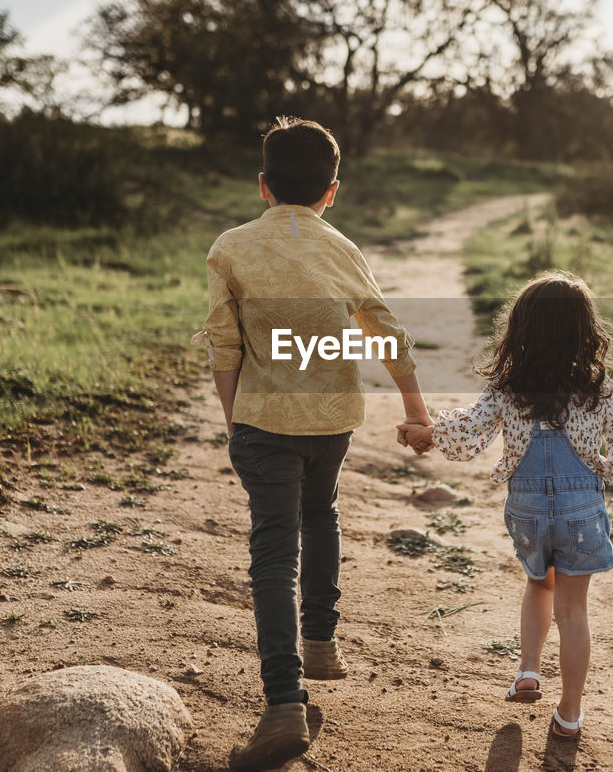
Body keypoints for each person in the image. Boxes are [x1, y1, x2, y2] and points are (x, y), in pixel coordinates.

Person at [194, 117, 432, 769]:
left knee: (273, 551)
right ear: (333, 191)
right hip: (332, 421)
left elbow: (224, 342)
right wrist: (415, 410)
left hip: (265, 422)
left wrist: (232, 417)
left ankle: (281, 705)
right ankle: (321, 639)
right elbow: (386, 332)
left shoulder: (231, 248)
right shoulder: (344, 248)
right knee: (320, 511)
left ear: (263, 186)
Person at [397, 271, 613, 740]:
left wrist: (427, 433)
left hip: (528, 509)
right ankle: (569, 714)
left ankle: (528, 671)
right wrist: (596, 469)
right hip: (580, 512)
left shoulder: (509, 386)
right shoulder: (600, 389)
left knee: (538, 584)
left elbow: (470, 434)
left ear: (521, 330)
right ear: (586, 331)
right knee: (573, 611)